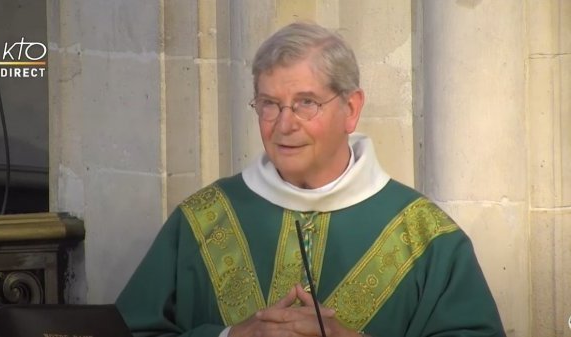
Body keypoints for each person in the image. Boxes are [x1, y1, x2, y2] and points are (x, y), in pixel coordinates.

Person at [116, 22, 506, 337]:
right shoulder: (201, 219)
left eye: (306, 103)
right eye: (269, 104)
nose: (284, 125)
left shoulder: (427, 237)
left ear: (351, 109)